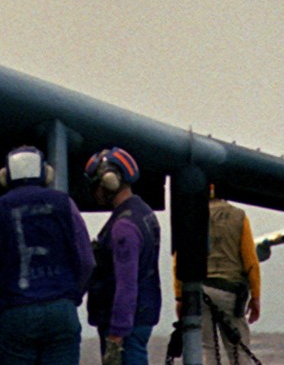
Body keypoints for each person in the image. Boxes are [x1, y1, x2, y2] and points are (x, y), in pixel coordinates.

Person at [0, 146, 95, 365]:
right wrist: (70, 295)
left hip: (14, 315)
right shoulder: (65, 203)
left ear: (5, 176)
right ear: (46, 173)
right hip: (62, 311)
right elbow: (87, 261)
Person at [84, 149, 161, 365]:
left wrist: (116, 336)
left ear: (108, 183)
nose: (95, 191)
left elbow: (126, 285)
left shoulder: (123, 228)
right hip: (141, 316)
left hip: (125, 326)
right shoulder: (143, 213)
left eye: (96, 184)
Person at [175, 184, 262, 365]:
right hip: (230, 292)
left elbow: (179, 261)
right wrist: (256, 296)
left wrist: (179, 297)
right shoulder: (238, 216)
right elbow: (251, 261)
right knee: (239, 351)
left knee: (208, 349)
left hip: (200, 292)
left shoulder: (190, 215)